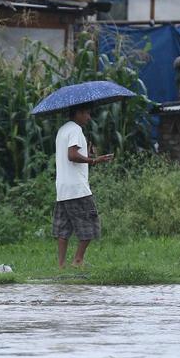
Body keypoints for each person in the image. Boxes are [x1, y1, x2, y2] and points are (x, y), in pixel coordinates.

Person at [54, 105, 113, 269]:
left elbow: (71, 155)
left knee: (63, 228)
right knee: (91, 224)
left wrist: (87, 155)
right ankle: (78, 260)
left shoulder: (63, 130)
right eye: (86, 113)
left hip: (63, 188)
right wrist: (94, 160)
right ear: (78, 113)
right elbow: (72, 155)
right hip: (77, 188)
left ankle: (61, 265)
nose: (89, 117)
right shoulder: (75, 130)